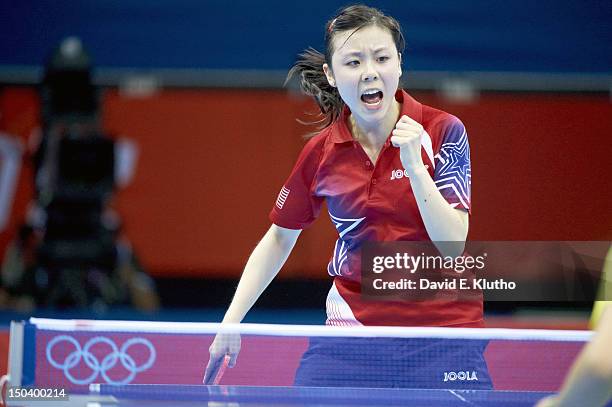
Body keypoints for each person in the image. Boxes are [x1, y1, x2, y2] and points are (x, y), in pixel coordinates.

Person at [204, 5, 489, 388]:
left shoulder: (443, 131)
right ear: (332, 75)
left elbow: (453, 244)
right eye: (353, 62)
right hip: (352, 335)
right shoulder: (321, 152)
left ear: (399, 65)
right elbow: (279, 236)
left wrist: (415, 168)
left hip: (444, 335)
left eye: (382, 58)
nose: (370, 71)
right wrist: (231, 321)